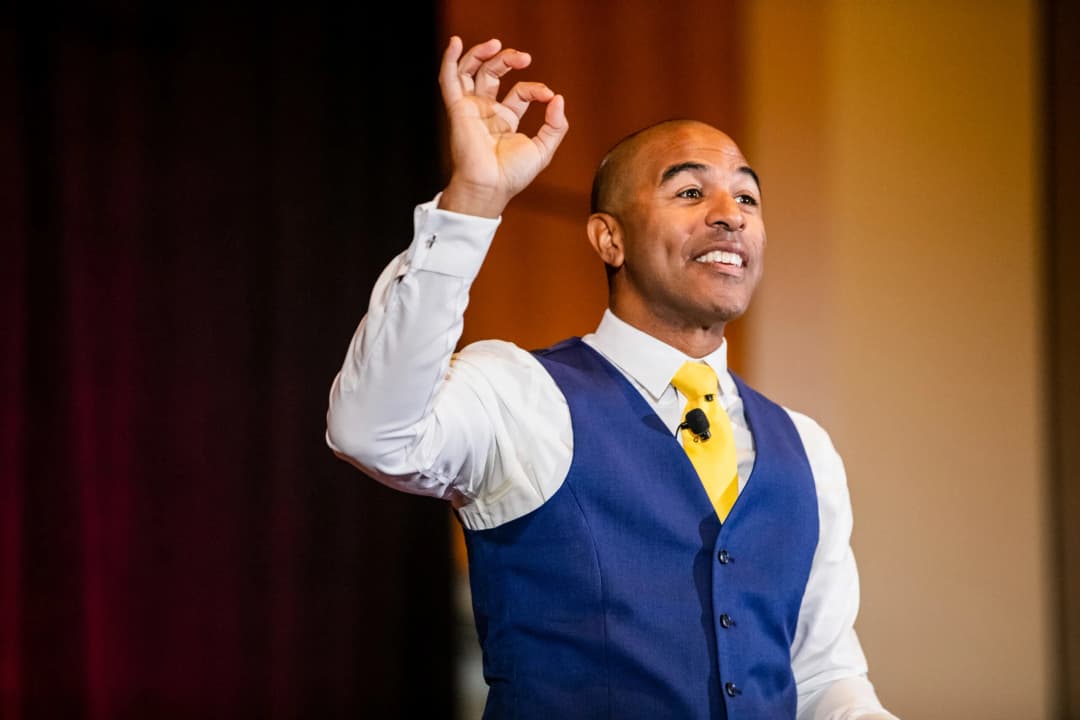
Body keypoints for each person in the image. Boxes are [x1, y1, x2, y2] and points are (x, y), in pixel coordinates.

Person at [326, 34, 899, 720]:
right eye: (691, 191)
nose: (730, 215)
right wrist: (472, 199)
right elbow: (372, 432)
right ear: (609, 238)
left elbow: (823, 674)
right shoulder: (521, 393)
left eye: (748, 198)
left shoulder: (806, 448)